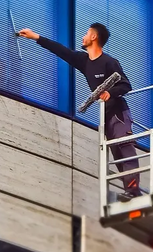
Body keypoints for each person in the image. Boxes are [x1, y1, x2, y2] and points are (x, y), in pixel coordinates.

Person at [16, 23, 142, 200]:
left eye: (86, 33)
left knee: (124, 148)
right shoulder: (84, 61)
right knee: (115, 153)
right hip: (105, 117)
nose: (83, 37)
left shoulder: (109, 62)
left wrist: (109, 92)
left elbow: (126, 84)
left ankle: (133, 190)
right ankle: (131, 191)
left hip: (119, 113)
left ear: (94, 37)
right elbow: (62, 51)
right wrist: (35, 37)